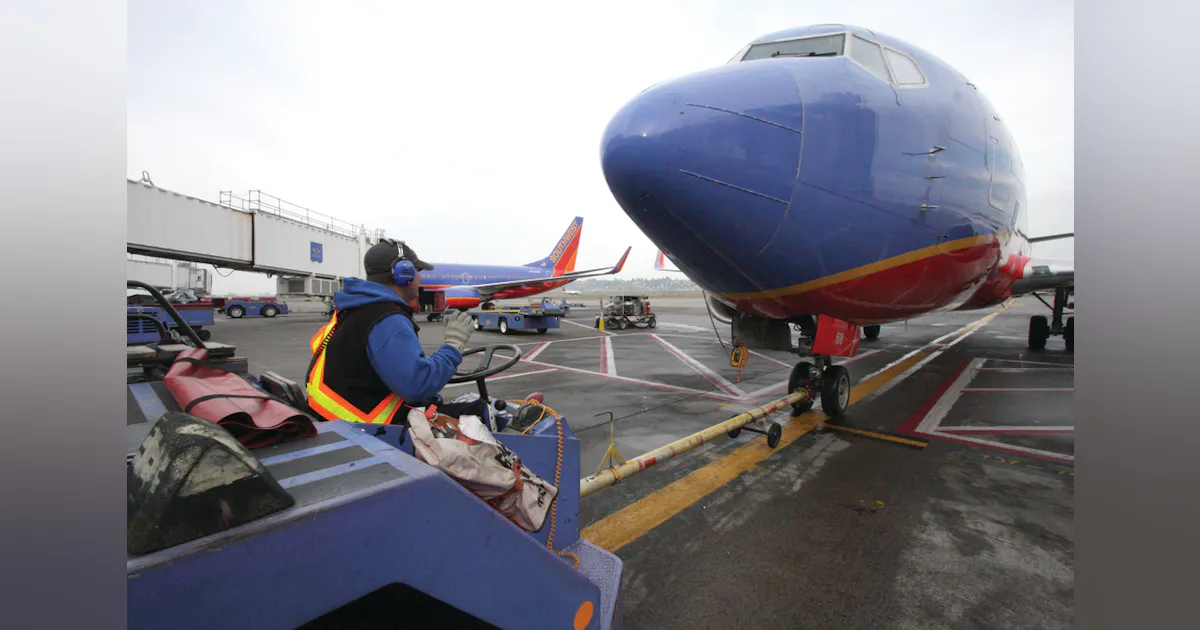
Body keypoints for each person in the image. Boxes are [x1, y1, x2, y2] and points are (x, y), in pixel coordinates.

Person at [305, 238, 477, 424]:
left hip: (336, 419)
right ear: (404, 274)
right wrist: (453, 345)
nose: (420, 278)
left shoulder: (354, 308)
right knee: (478, 411)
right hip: (372, 431)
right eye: (417, 271)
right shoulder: (387, 318)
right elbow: (418, 385)